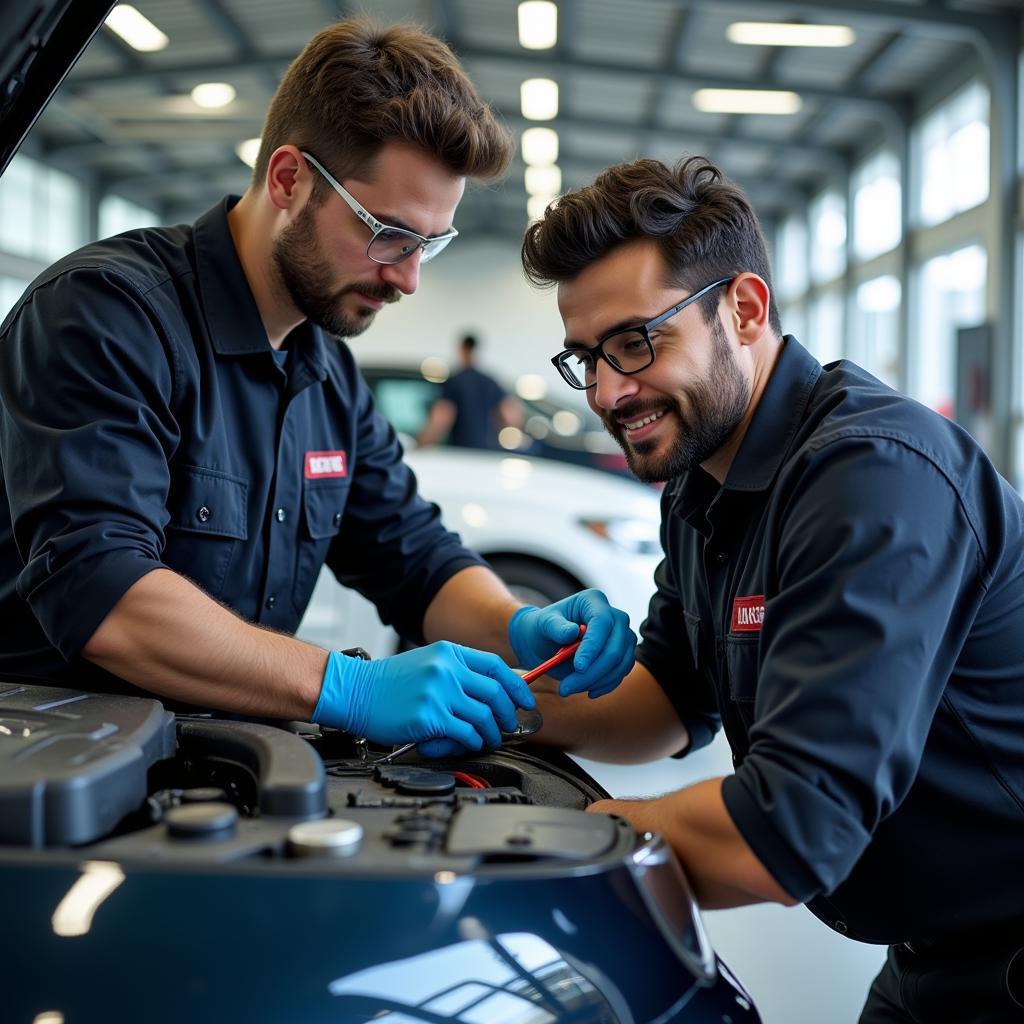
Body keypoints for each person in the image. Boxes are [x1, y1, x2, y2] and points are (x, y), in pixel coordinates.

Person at [0, 18, 635, 759]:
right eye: (389, 233)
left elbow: (412, 555)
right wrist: (349, 688)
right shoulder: (106, 314)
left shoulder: (325, 371)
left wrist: (516, 621)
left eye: (430, 244)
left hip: (211, 770)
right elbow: (103, 592)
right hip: (47, 782)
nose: (408, 278)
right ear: (288, 180)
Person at [519, 155, 1024, 1022]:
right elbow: (670, 698)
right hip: (935, 953)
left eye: (637, 342)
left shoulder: (872, 478)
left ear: (743, 309)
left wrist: (543, 836)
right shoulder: (702, 477)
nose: (608, 390)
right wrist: (497, 706)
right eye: (586, 358)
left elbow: (785, 833)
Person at [417, 332, 522, 449]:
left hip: (461, 452)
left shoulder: (455, 382)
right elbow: (510, 416)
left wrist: (421, 444)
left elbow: (442, 417)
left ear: (461, 349)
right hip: (488, 453)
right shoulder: (490, 382)